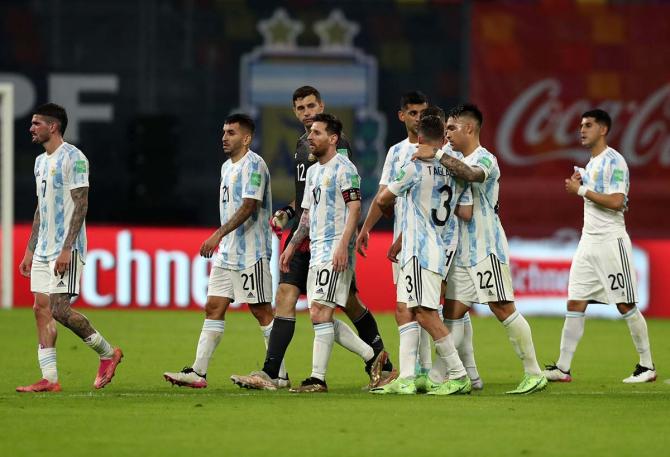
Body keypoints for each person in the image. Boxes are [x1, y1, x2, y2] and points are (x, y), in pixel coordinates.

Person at [231, 87, 392, 390]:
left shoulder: (336, 146)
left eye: (311, 107)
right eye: (300, 108)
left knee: (344, 304)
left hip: (332, 237)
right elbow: (308, 197)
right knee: (289, 299)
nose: (306, 113)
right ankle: (273, 372)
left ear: (321, 106)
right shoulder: (303, 146)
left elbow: (345, 195)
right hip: (309, 231)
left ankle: (378, 362)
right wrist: (288, 215)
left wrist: (346, 240)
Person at [413, 103, 547, 394]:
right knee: (453, 313)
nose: (446, 133)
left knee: (502, 308)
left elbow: (472, 175)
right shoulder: (455, 157)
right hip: (461, 253)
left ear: (469, 128)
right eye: (445, 128)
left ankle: (534, 372)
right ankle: (442, 377)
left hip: (486, 249)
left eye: (452, 127)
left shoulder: (486, 159)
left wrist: (436, 154)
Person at [163, 113, 278, 388]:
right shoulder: (227, 167)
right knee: (213, 306)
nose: (225, 137)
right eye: (224, 131)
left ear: (247, 138)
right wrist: (223, 240)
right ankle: (198, 373)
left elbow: (250, 206)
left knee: (261, 310)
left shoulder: (254, 165)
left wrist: (217, 234)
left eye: (231, 133)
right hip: (228, 253)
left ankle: (279, 373)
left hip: (252, 251)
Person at [544, 109, 656, 383]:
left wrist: (581, 190)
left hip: (610, 240)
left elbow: (618, 202)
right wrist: (583, 184)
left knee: (625, 304)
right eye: (581, 125)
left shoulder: (614, 161)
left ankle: (647, 366)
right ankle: (563, 367)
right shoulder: (592, 163)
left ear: (603, 129)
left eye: (589, 125)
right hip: (588, 241)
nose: (582, 129)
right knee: (575, 301)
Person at [17, 103, 122, 393]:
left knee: (60, 310)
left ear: (53, 126)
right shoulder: (41, 162)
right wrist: (30, 249)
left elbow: (81, 204)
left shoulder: (74, 158)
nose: (31, 128)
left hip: (67, 248)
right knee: (41, 308)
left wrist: (67, 248)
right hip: (42, 250)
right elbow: (41, 208)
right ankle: (49, 378)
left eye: (37, 123)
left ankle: (107, 352)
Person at [279, 113, 385, 393]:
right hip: (316, 250)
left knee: (320, 312)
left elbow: (354, 209)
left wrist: (343, 245)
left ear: (332, 138)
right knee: (318, 314)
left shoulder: (345, 168)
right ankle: (374, 357)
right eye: (310, 132)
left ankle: (317, 378)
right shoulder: (313, 171)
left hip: (336, 249)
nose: (310, 137)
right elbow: (306, 215)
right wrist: (291, 245)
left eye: (316, 133)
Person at [370, 115, 474, 395]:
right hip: (432, 246)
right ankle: (406, 377)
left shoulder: (413, 168)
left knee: (426, 315)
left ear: (418, 140)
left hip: (420, 252)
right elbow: (460, 210)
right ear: (442, 140)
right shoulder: (453, 169)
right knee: (403, 309)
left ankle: (459, 374)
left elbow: (382, 199)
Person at [357, 92, 434, 386]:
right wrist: (366, 228)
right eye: (412, 113)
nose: (418, 118)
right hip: (404, 242)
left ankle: (426, 371)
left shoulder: (439, 151)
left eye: (422, 112)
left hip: (429, 241)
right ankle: (423, 372)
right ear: (401, 116)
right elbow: (383, 196)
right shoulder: (396, 152)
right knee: (412, 306)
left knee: (425, 308)